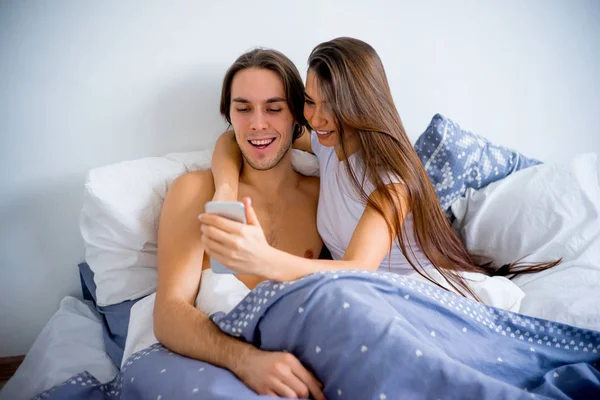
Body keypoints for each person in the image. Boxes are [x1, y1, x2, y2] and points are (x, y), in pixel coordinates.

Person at [203, 37, 559, 297]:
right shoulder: (327, 143)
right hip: (352, 294)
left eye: (334, 105)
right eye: (310, 102)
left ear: (362, 105)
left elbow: (357, 269)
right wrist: (225, 192)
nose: (317, 117)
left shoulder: (393, 183)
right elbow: (233, 139)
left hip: (418, 293)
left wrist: (263, 259)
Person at [153, 48, 326, 400]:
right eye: (243, 109)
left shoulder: (322, 197)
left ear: (297, 115)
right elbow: (168, 313)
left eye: (274, 108)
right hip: (223, 364)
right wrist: (247, 361)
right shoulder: (196, 191)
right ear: (229, 116)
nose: (257, 124)